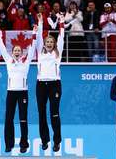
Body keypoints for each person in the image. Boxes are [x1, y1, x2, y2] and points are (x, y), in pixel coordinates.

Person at [0, 24, 37, 153]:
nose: (17, 52)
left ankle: (24, 144)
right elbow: (1, 47)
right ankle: (9, 144)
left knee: (23, 118)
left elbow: (33, 47)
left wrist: (34, 33)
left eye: (19, 50)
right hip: (11, 93)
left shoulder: (26, 61)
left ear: (22, 52)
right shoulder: (8, 60)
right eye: (15, 50)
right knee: (9, 119)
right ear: (12, 53)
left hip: (23, 93)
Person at [36, 12, 65, 152]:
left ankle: (57, 141)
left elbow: (62, 36)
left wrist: (61, 22)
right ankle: (45, 140)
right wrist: (41, 22)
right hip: (41, 84)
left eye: (51, 42)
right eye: (47, 42)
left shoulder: (57, 52)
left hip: (55, 84)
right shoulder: (39, 52)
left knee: (54, 113)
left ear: (54, 44)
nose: (48, 43)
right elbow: (38, 38)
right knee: (41, 113)